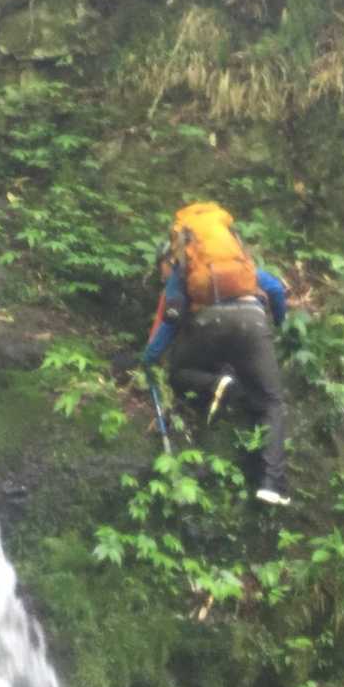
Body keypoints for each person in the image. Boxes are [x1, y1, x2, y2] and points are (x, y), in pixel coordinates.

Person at [138, 203, 290, 506]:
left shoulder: (186, 268)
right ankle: (270, 484)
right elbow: (275, 290)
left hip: (207, 326)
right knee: (271, 402)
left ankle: (217, 384)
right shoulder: (240, 267)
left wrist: (149, 358)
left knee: (179, 373)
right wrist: (280, 323)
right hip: (252, 323)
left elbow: (171, 318)